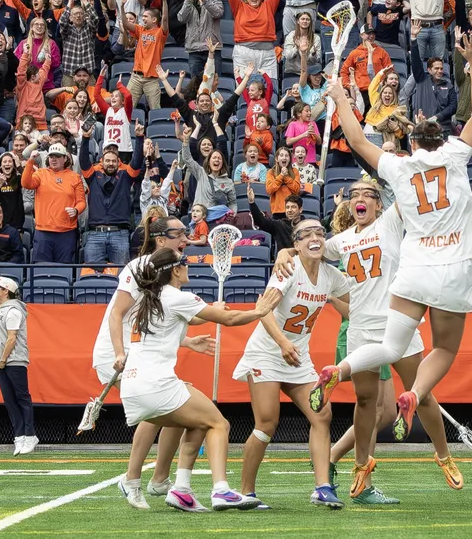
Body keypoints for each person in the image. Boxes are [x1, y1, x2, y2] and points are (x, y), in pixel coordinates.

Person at [312, 31, 472, 445]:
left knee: (392, 347)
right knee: (443, 350)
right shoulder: (455, 154)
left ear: (412, 142)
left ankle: (338, 371)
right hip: (454, 265)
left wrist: (341, 97)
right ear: (441, 139)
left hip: (415, 268)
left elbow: (356, 140)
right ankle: (414, 393)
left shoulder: (397, 166)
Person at [119, 247, 276, 511]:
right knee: (219, 424)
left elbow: (175, 325)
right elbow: (229, 318)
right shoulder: (175, 296)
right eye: (185, 263)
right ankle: (221, 490)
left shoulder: (147, 299)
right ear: (176, 270)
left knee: (198, 423)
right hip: (156, 386)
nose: (189, 266)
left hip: (133, 389)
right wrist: (259, 312)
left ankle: (181, 490)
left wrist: (191, 341)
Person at [96, 215, 214, 509]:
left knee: (178, 407)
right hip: (122, 354)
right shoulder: (140, 267)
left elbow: (155, 322)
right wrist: (120, 353)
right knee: (157, 409)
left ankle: (160, 479)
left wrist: (187, 341)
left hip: (139, 351)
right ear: (160, 240)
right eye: (179, 234)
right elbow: (117, 315)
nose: (185, 239)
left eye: (186, 233)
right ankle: (132, 479)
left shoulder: (167, 271)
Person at [231, 218, 350, 509]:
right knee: (267, 421)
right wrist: (283, 343)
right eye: (306, 233)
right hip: (268, 352)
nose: (314, 237)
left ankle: (322, 487)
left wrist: (334, 300)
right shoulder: (287, 268)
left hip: (298, 356)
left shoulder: (332, 276)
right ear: (295, 244)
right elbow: (264, 311)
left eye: (319, 232)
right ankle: (247, 492)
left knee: (322, 413)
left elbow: (352, 311)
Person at [80, 123, 144, 265]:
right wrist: (85, 138)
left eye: (114, 161)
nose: (110, 164)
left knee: (120, 275)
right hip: (95, 233)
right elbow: (84, 162)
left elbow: (137, 162)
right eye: (107, 161)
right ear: (102, 162)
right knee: (92, 276)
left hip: (119, 233)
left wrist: (139, 138)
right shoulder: (93, 176)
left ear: (118, 162)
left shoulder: (125, 176)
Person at [0, 276, 37, 455]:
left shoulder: (13, 310)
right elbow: (3, 337)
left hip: (14, 360)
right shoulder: (2, 309)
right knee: (10, 400)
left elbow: (12, 337)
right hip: (4, 360)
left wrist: (2, 359)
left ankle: (29, 435)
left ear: (6, 291)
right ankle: (20, 436)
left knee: (21, 398)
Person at [21, 143, 85, 263]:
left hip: (66, 232)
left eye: (57, 156)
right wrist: (30, 162)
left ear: (65, 158)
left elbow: (81, 201)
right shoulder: (41, 173)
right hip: (43, 231)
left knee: (64, 270)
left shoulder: (75, 177)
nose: (54, 159)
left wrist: (76, 210)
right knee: (41, 270)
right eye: (51, 156)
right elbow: (26, 183)